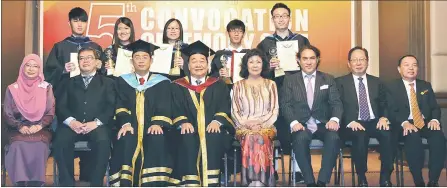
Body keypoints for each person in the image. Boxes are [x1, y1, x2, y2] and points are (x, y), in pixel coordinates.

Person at [43, 7, 103, 182]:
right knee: (63, 140)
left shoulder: (95, 47)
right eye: (76, 20)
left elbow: (105, 80)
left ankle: (88, 178)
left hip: (91, 105)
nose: (79, 24)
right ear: (69, 23)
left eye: (83, 21)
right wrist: (63, 70)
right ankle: (66, 182)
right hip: (67, 104)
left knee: (97, 139)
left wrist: (101, 68)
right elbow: (48, 76)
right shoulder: (60, 47)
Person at [256, 3, 310, 181]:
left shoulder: (301, 41)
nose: (280, 18)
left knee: (297, 128)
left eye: (284, 15)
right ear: (272, 20)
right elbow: (256, 70)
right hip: (273, 93)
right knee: (275, 129)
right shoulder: (265, 44)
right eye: (277, 16)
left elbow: (311, 65)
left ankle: (298, 169)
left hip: (297, 93)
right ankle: (274, 169)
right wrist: (268, 67)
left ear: (289, 18)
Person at [170, 41, 235, 186]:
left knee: (214, 136)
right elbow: (175, 108)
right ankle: (189, 183)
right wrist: (183, 122)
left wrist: (217, 121)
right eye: (194, 61)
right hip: (187, 129)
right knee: (186, 137)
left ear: (208, 64)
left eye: (202, 61)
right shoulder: (178, 85)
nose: (198, 65)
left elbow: (225, 106)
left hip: (212, 129)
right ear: (188, 65)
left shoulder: (218, 84)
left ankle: (211, 183)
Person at [108, 40, 173, 186]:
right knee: (126, 139)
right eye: (137, 57)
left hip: (153, 126)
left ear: (151, 60)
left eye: (145, 57)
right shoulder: (123, 82)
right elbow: (119, 104)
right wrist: (125, 123)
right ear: (132, 61)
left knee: (157, 139)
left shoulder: (162, 82)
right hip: (130, 126)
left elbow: (165, 105)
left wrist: (158, 123)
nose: (141, 60)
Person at [280, 45, 343, 186]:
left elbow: (336, 103)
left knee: (333, 137)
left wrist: (334, 119)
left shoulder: (328, 78)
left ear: (318, 60)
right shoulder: (290, 80)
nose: (308, 62)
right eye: (305, 58)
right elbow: (286, 104)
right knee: (300, 139)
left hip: (322, 123)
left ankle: (322, 181)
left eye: (312, 58)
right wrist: (293, 122)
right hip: (300, 124)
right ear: (298, 61)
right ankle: (309, 182)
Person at [52, 47, 116, 186]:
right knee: (60, 141)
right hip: (72, 125)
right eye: (82, 58)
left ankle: (96, 183)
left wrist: (96, 123)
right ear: (78, 62)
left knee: (103, 141)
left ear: (97, 62)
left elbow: (110, 107)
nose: (85, 61)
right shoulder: (68, 82)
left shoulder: (108, 83)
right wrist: (72, 122)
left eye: (89, 58)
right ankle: (67, 182)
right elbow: (61, 106)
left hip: (96, 125)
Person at [335, 47, 393, 186]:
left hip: (374, 121)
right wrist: (349, 121)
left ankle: (385, 177)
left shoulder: (377, 82)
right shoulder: (339, 82)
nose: (358, 63)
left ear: (367, 62)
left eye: (362, 59)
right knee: (360, 135)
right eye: (354, 60)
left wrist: (384, 117)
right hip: (351, 123)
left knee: (388, 133)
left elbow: (385, 103)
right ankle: (361, 176)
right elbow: (336, 105)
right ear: (348, 64)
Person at [387, 55, 444, 187]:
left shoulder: (425, 85)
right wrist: (404, 122)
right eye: (406, 65)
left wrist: (435, 119)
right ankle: (418, 180)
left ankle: (434, 181)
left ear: (417, 68)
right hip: (404, 124)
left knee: (438, 137)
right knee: (413, 136)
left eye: (414, 65)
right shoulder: (391, 87)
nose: (411, 68)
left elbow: (435, 107)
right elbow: (390, 110)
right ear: (399, 69)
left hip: (424, 123)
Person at [3, 54, 55, 187]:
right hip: (17, 129)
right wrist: (19, 126)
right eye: (28, 65)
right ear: (22, 67)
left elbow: (50, 112)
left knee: (40, 145)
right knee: (17, 145)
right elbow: (7, 114)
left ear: (40, 69)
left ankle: (36, 184)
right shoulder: (12, 88)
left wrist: (39, 126)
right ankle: (20, 183)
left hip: (41, 129)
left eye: (35, 66)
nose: (31, 69)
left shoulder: (46, 87)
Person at [231, 49, 279, 186]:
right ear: (246, 65)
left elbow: (274, 110)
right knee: (251, 136)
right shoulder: (238, 86)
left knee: (259, 137)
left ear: (263, 65)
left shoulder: (271, 84)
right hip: (243, 127)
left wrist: (261, 124)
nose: (255, 65)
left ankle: (260, 182)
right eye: (251, 62)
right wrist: (248, 124)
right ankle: (253, 182)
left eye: (258, 62)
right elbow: (235, 111)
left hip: (267, 126)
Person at [210, 19, 250, 87]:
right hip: (224, 91)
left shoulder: (249, 54)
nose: (236, 34)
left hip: (244, 90)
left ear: (244, 34)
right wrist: (218, 74)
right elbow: (211, 75)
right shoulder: (219, 54)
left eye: (240, 31)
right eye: (233, 31)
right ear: (227, 33)